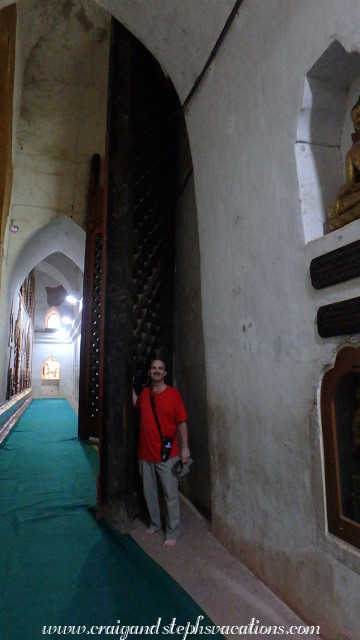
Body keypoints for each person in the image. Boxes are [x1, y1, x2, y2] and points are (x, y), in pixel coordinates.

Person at [132, 359, 190, 548]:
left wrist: (184, 447)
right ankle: (156, 524)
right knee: (149, 492)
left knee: (170, 493)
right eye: (154, 368)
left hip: (167, 454)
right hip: (145, 452)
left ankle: (172, 531)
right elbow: (137, 405)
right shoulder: (145, 394)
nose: (157, 371)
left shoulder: (174, 396)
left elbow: (182, 424)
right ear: (150, 372)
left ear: (165, 373)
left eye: (160, 369)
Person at [328, 96, 360, 230]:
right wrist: (337, 200)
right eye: (355, 118)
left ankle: (345, 219)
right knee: (334, 211)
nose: (358, 120)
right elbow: (350, 182)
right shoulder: (352, 152)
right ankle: (345, 217)